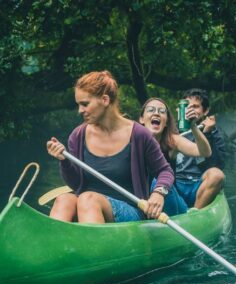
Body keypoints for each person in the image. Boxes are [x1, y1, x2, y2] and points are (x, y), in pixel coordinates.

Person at [46, 70, 174, 224]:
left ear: (105, 100)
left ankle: (93, 246)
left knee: (88, 199)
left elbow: (165, 171)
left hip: (130, 211)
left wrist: (159, 193)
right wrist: (64, 160)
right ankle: (54, 246)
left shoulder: (139, 135)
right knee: (64, 199)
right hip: (86, 207)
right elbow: (75, 184)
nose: (80, 111)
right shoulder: (78, 136)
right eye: (78, 105)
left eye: (85, 104)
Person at [138, 97, 212, 215]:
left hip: (171, 200)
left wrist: (193, 126)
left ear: (166, 121)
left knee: (157, 182)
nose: (156, 113)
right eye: (151, 110)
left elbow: (204, 152)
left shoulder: (172, 141)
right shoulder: (133, 140)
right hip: (144, 201)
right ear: (141, 119)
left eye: (162, 112)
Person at [175, 88, 226, 209]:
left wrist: (207, 134)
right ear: (180, 109)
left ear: (206, 111)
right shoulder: (171, 131)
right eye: (187, 106)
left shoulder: (213, 132)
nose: (190, 110)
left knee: (217, 175)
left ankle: (196, 213)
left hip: (199, 185)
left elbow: (217, 165)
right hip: (175, 185)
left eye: (196, 107)